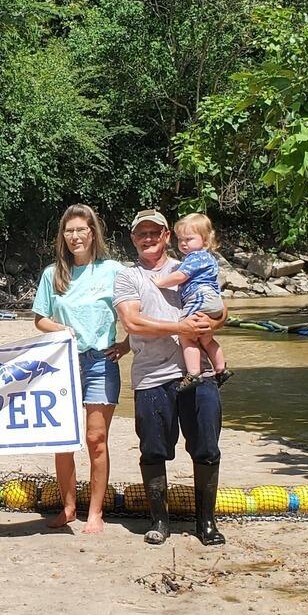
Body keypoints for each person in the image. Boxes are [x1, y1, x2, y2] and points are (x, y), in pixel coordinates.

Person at [112, 209, 227, 546]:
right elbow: (133, 323)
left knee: (207, 448)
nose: (148, 238)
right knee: (154, 450)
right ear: (133, 239)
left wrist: (214, 325)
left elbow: (219, 306)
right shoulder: (127, 276)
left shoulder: (191, 262)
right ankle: (159, 521)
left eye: (155, 233)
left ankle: (206, 523)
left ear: (166, 237)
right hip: (151, 376)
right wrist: (181, 327)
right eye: (141, 234)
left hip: (197, 373)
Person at [30, 204, 128, 534]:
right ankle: (69, 507)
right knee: (63, 440)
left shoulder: (113, 271)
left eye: (80, 230)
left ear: (93, 232)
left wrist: (127, 345)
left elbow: (136, 312)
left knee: (96, 439)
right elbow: (40, 319)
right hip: (63, 364)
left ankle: (96, 512)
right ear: (63, 237)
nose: (75, 237)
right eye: (69, 231)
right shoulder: (53, 274)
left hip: (102, 362)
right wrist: (60, 330)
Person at [157, 211, 232, 391]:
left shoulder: (196, 257)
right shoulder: (209, 258)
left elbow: (181, 276)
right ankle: (221, 368)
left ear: (205, 241)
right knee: (206, 339)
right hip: (213, 302)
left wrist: (160, 282)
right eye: (180, 239)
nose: (183, 243)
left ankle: (193, 374)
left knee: (186, 335)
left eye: (189, 239)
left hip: (200, 298)